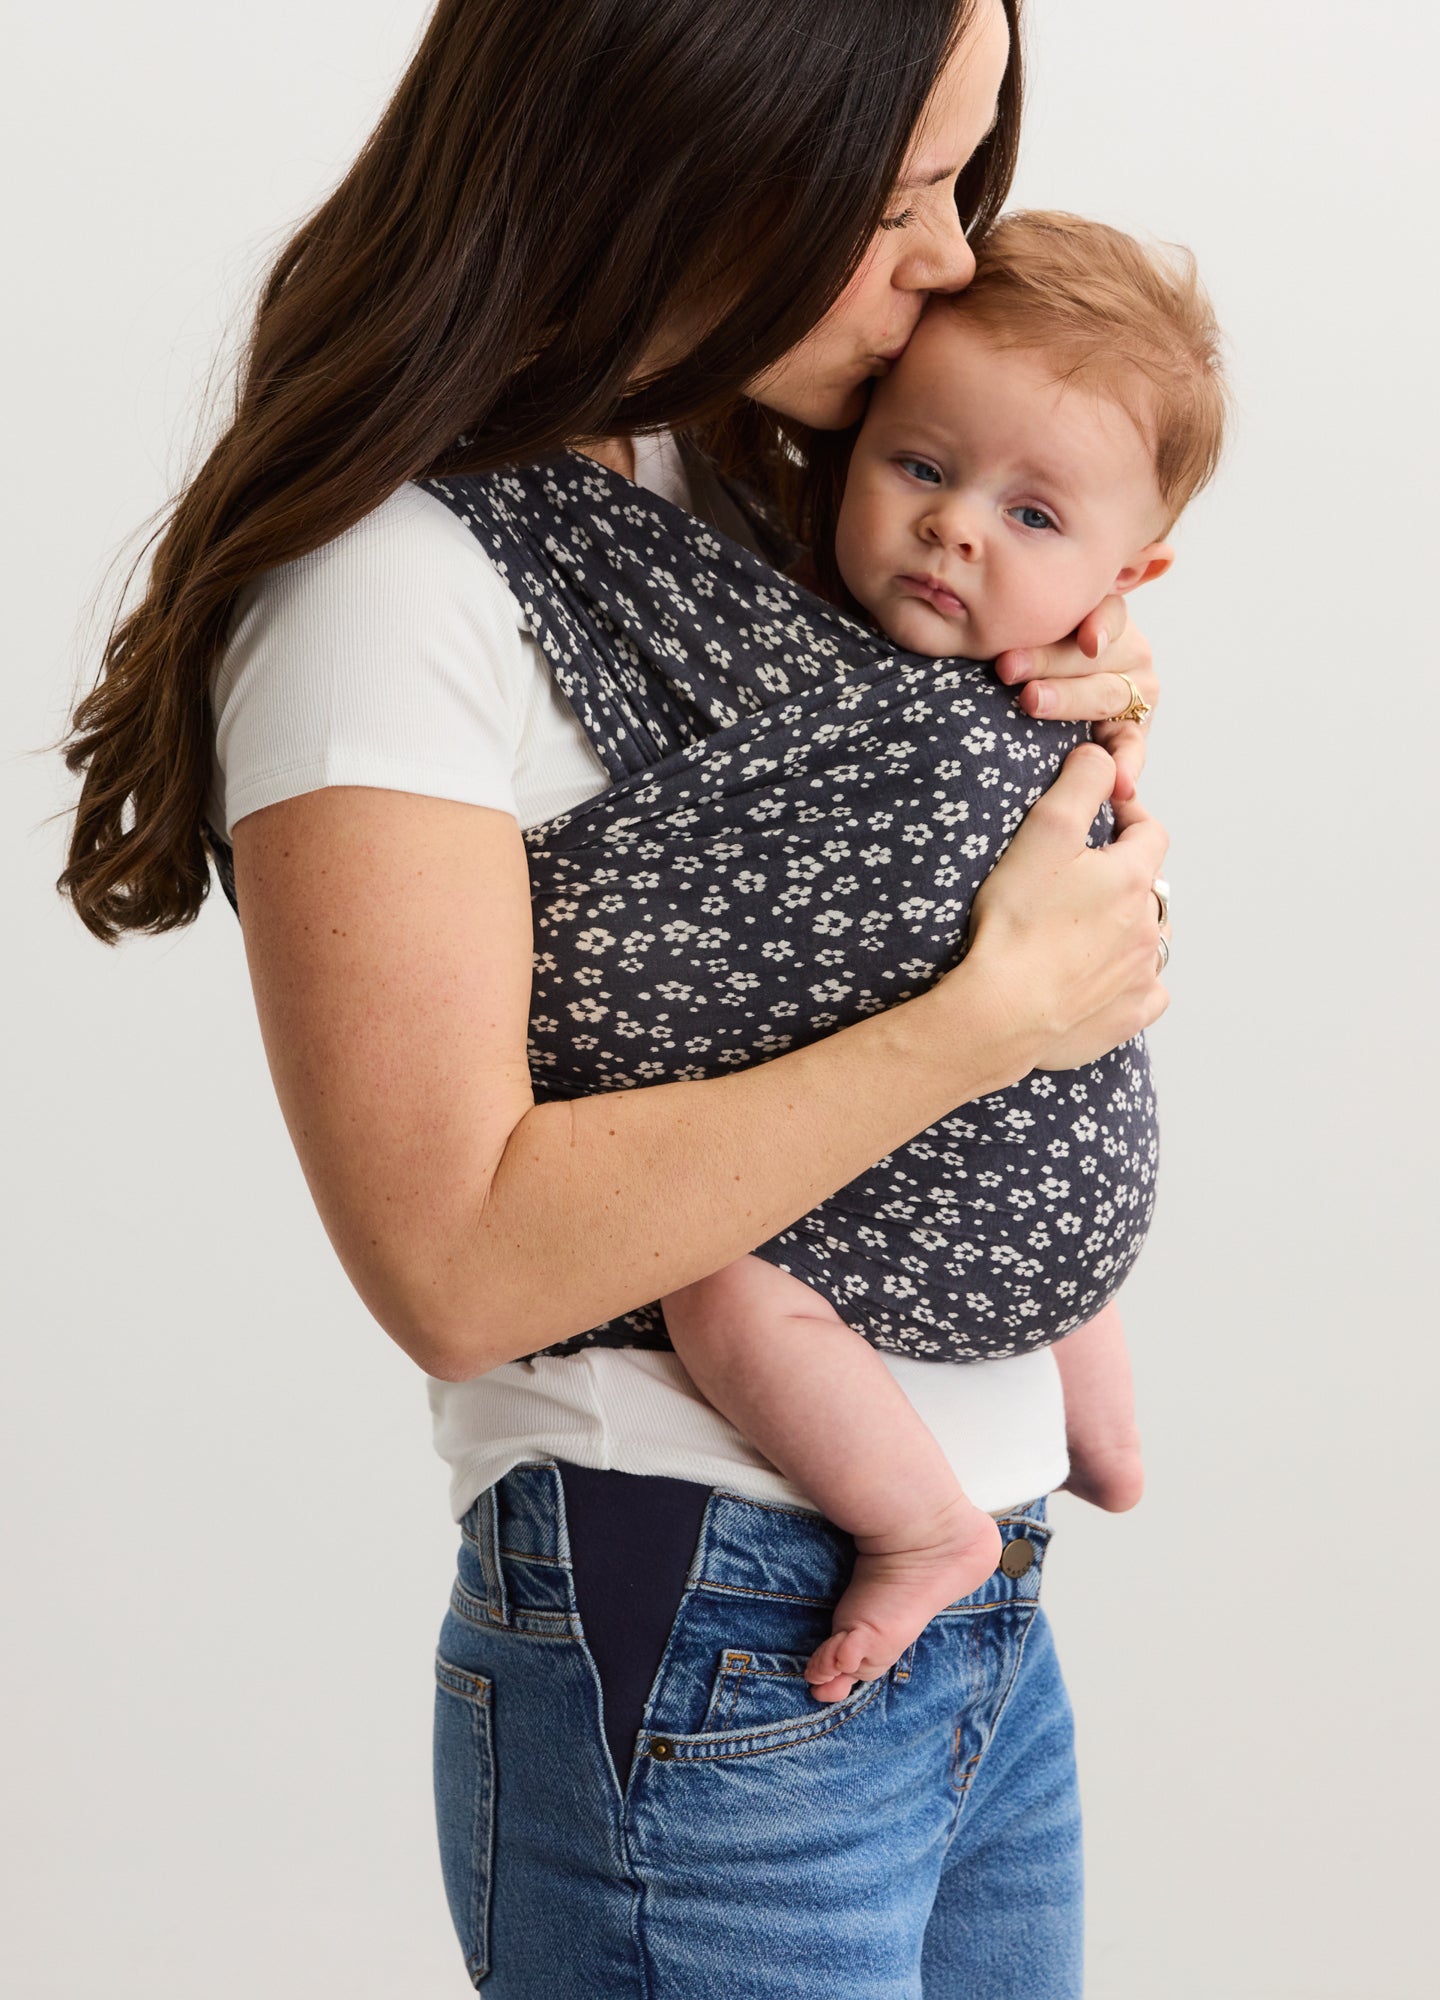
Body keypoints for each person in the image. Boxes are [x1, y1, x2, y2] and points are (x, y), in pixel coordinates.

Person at [56, 3, 1176, 1992]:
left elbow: (881, 899)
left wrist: (1052, 724)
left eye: (962, 184)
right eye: (897, 197)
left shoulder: (761, 483)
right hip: (706, 1607)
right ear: (692, 159)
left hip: (984, 1592)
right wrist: (985, 1017)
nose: (948, 260)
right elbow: (455, 1259)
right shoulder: (388, 586)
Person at [661, 206, 1228, 1703]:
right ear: (847, 454)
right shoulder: (1065, 690)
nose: (957, 528)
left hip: (972, 1190)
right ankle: (1106, 1435)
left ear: (1132, 574)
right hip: (1092, 1202)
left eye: (1032, 518)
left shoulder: (965, 689)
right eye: (921, 467)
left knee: (716, 1284)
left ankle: (920, 1527)